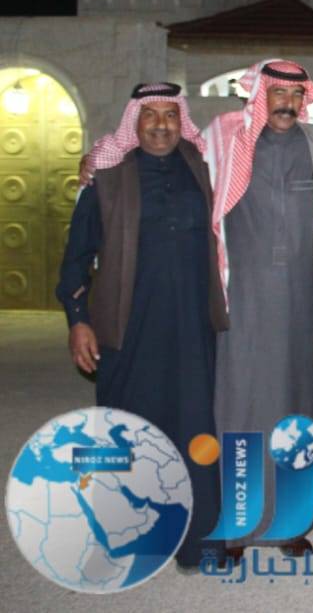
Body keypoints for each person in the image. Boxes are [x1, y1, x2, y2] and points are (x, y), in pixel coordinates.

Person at [58, 82, 225, 570]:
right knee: (125, 429)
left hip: (192, 325)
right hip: (128, 326)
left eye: (170, 115)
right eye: (150, 115)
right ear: (134, 121)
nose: (161, 125)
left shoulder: (203, 166)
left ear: (181, 120)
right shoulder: (108, 175)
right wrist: (78, 321)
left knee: (195, 428)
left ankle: (199, 543)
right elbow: (76, 257)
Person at [203, 59, 313, 557]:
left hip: (301, 297)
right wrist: (97, 164)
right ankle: (238, 524)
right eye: (278, 93)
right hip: (242, 298)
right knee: (240, 407)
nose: (287, 103)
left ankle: (291, 524)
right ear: (258, 95)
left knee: (296, 405)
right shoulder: (226, 140)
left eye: (296, 95)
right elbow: (174, 156)